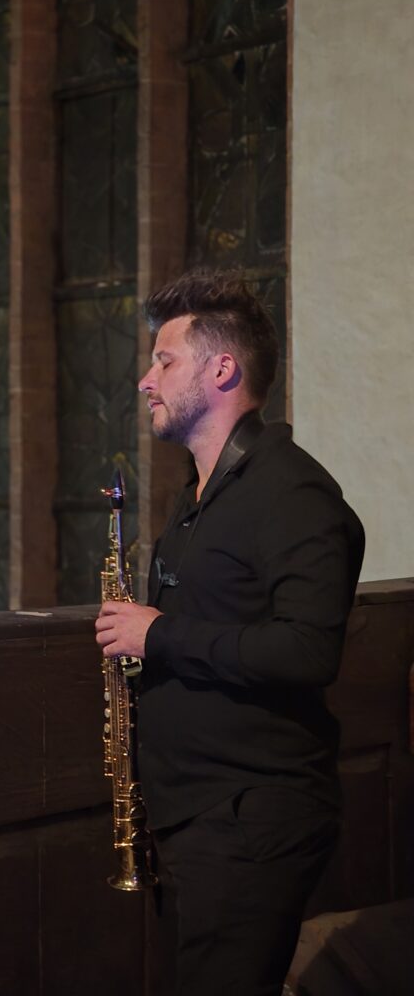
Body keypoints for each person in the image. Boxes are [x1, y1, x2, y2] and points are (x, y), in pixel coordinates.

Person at [94, 268, 365, 996]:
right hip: (194, 818)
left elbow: (309, 648)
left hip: (251, 821)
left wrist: (160, 636)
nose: (146, 380)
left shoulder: (293, 491)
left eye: (165, 361)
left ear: (221, 370)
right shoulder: (196, 499)